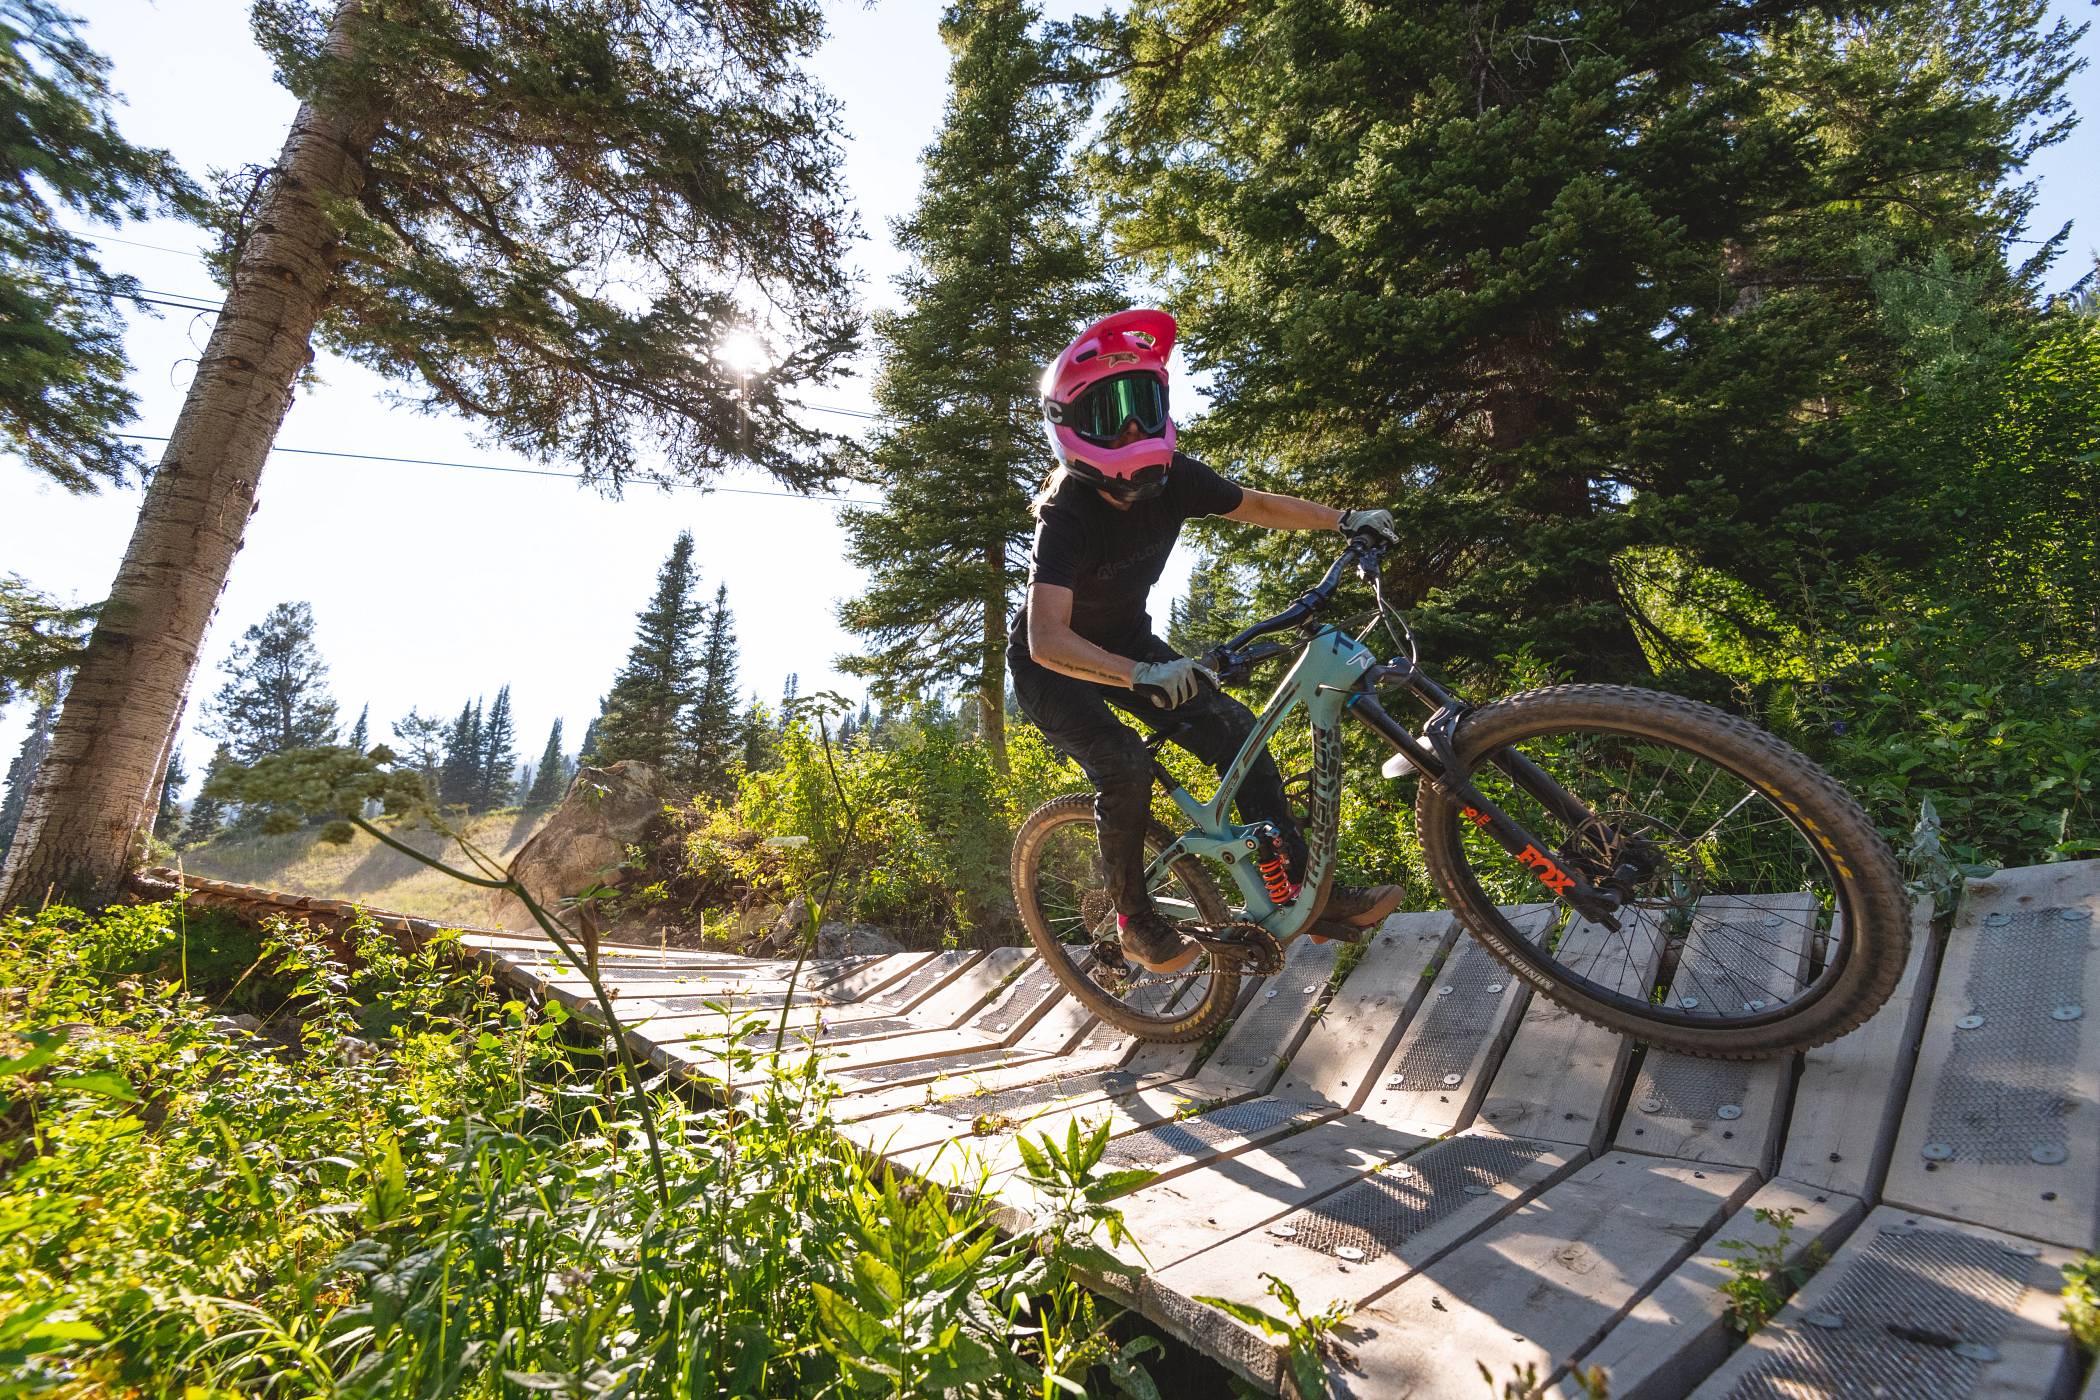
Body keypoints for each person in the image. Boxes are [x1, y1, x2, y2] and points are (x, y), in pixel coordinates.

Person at [1011, 308, 1405, 975]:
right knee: (1124, 765)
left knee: (1237, 735)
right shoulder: (1066, 514)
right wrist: (1139, 676)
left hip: (1130, 644)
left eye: (1143, 404)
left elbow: (1258, 505)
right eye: (1110, 413)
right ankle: (1134, 922)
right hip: (1052, 670)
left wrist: (1344, 519)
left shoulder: (1177, 481)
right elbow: (1046, 638)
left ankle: (1309, 895)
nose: (1132, 428)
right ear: (1071, 427)